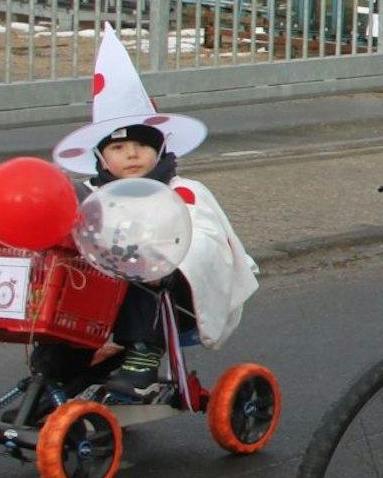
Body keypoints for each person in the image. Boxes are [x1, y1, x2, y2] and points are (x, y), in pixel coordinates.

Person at [36, 32, 257, 410]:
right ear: (102, 159)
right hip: (95, 300)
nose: (132, 155)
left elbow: (205, 240)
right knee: (62, 279)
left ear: (159, 149)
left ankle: (142, 356)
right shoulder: (89, 195)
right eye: (118, 148)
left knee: (142, 268)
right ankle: (52, 369)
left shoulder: (181, 190)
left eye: (142, 146)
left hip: (169, 298)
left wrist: (167, 261)